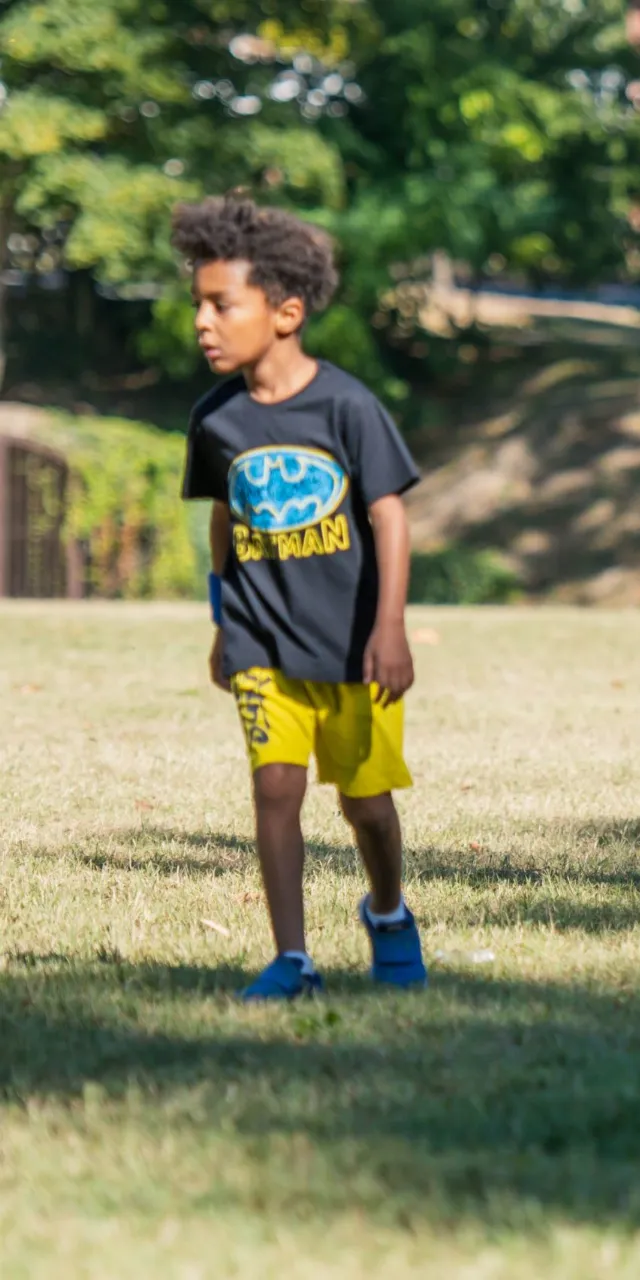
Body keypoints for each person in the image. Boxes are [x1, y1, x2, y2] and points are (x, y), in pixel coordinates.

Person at [175, 197, 427, 1001]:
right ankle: (293, 959)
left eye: (221, 305)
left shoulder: (346, 406)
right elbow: (224, 517)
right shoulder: (215, 420)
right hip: (260, 637)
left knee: (366, 804)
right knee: (275, 787)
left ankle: (387, 912)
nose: (202, 322)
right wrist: (222, 619)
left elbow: (389, 516)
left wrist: (390, 628)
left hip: (350, 641)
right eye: (198, 305)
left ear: (285, 313)